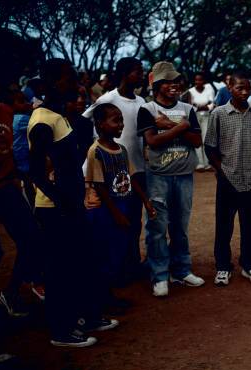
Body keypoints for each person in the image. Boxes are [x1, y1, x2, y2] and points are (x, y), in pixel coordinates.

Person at [29, 58, 117, 347]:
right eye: (69, 78)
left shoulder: (59, 114)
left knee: (82, 262)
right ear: (55, 83)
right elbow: (36, 173)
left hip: (70, 204)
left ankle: (88, 316)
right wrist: (62, 202)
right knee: (59, 269)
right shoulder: (43, 120)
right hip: (55, 209)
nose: (75, 83)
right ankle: (61, 330)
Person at [137, 61, 204, 297]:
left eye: (176, 81)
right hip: (158, 176)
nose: (175, 85)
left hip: (184, 175)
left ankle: (182, 270)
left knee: (180, 226)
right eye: (168, 82)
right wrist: (181, 128)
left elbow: (196, 141)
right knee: (156, 227)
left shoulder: (187, 109)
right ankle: (160, 275)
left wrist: (171, 125)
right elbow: (152, 141)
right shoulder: (148, 109)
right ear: (157, 85)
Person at [85, 104, 157, 308]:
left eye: (121, 120)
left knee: (118, 251)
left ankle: (110, 293)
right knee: (105, 255)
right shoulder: (96, 151)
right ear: (100, 124)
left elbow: (131, 176)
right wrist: (116, 214)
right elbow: (99, 186)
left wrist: (145, 200)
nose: (121, 125)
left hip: (124, 207)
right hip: (107, 213)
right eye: (115, 121)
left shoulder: (121, 149)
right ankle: (104, 298)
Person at [83, 57, 148, 279]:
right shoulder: (107, 99)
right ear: (124, 74)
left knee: (134, 221)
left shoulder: (141, 101)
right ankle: (115, 270)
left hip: (135, 168)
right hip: (110, 172)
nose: (141, 75)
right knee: (115, 219)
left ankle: (131, 264)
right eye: (137, 71)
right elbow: (85, 121)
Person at [204, 72, 251, 286]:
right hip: (227, 179)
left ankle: (249, 265)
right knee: (224, 226)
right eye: (239, 88)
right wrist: (221, 170)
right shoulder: (219, 114)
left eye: (247, 88)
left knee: (250, 226)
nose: (244, 92)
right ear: (229, 87)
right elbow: (210, 147)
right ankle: (223, 267)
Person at [0, 92, 44, 317]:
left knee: (32, 237)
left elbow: (10, 148)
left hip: (6, 186)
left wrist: (16, 175)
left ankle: (11, 292)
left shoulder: (5, 111)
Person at [188, 72, 215, 171]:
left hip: (207, 116)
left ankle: (207, 164)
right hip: (195, 117)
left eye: (200, 80)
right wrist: (202, 106)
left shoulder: (209, 89)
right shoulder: (191, 91)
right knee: (197, 138)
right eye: (196, 80)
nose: (198, 82)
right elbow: (191, 105)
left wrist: (202, 106)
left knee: (205, 139)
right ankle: (199, 164)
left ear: (203, 81)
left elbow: (212, 103)